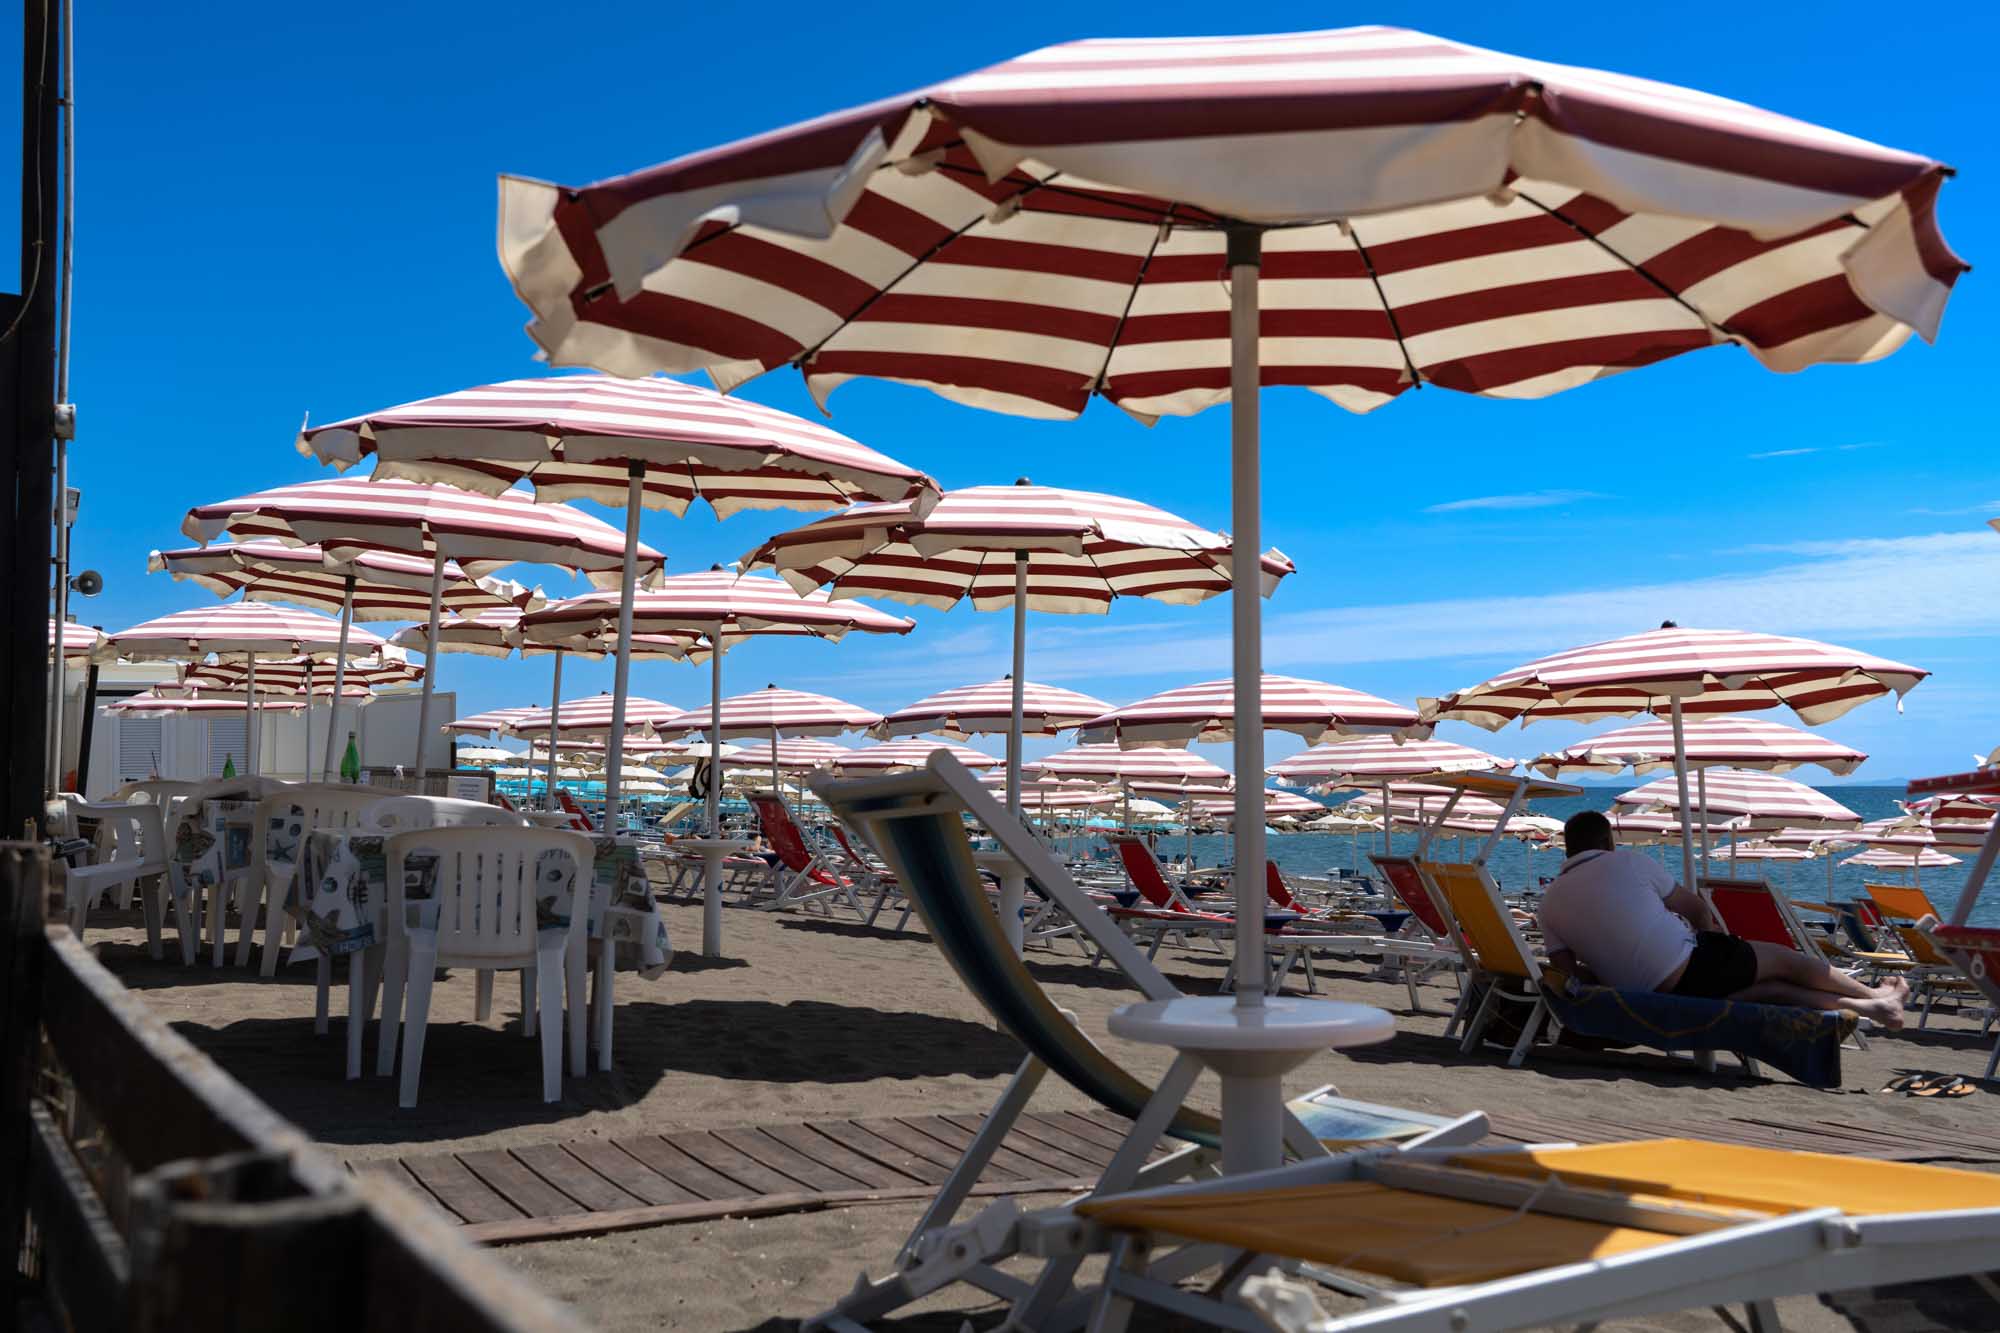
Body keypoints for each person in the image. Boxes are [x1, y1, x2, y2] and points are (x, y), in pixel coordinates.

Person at [1539, 810, 1907, 1027]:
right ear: (1609, 842)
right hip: (1689, 968)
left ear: (1567, 848)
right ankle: (1875, 994)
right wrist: (1709, 942)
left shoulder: (1549, 901)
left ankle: (1868, 1008)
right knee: (1784, 959)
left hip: (1642, 994)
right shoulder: (1629, 862)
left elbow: (1569, 975)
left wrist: (1613, 960)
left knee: (1773, 990)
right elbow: (1697, 909)